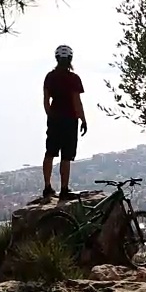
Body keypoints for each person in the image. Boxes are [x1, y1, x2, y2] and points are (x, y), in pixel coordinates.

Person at [42, 44, 88, 199]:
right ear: (70, 59)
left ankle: (47, 187)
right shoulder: (74, 78)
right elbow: (77, 102)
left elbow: (46, 100)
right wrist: (83, 119)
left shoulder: (50, 77)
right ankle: (64, 189)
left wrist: (50, 115)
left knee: (50, 152)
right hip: (70, 120)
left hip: (54, 119)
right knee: (66, 156)